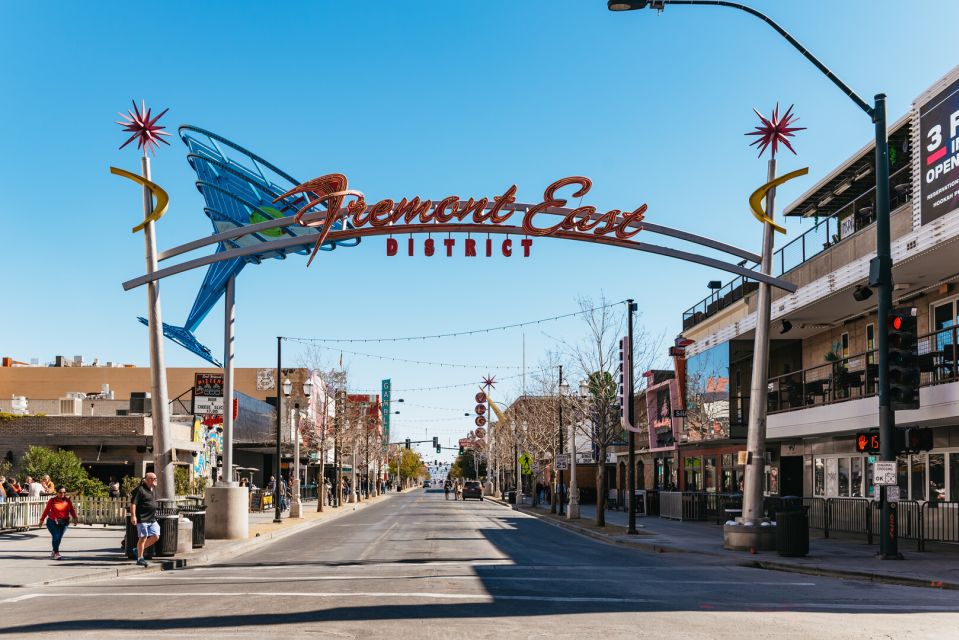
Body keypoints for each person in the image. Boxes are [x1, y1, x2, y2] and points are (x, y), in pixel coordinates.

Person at [38, 486, 78, 560]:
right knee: (56, 536)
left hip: (64, 522)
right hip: (52, 522)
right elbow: (46, 510)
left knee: (59, 538)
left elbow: (71, 510)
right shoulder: (52, 500)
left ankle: (54, 550)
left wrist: (75, 518)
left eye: (64, 492)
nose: (62, 494)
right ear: (57, 492)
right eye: (60, 492)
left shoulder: (67, 500)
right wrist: (41, 520)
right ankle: (56, 553)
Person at [129, 473, 160, 567]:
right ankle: (140, 558)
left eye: (156, 478)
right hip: (142, 518)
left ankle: (137, 550)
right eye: (154, 478)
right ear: (148, 479)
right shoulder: (140, 489)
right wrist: (133, 516)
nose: (155, 480)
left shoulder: (152, 489)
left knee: (156, 536)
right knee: (143, 537)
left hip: (152, 518)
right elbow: (133, 503)